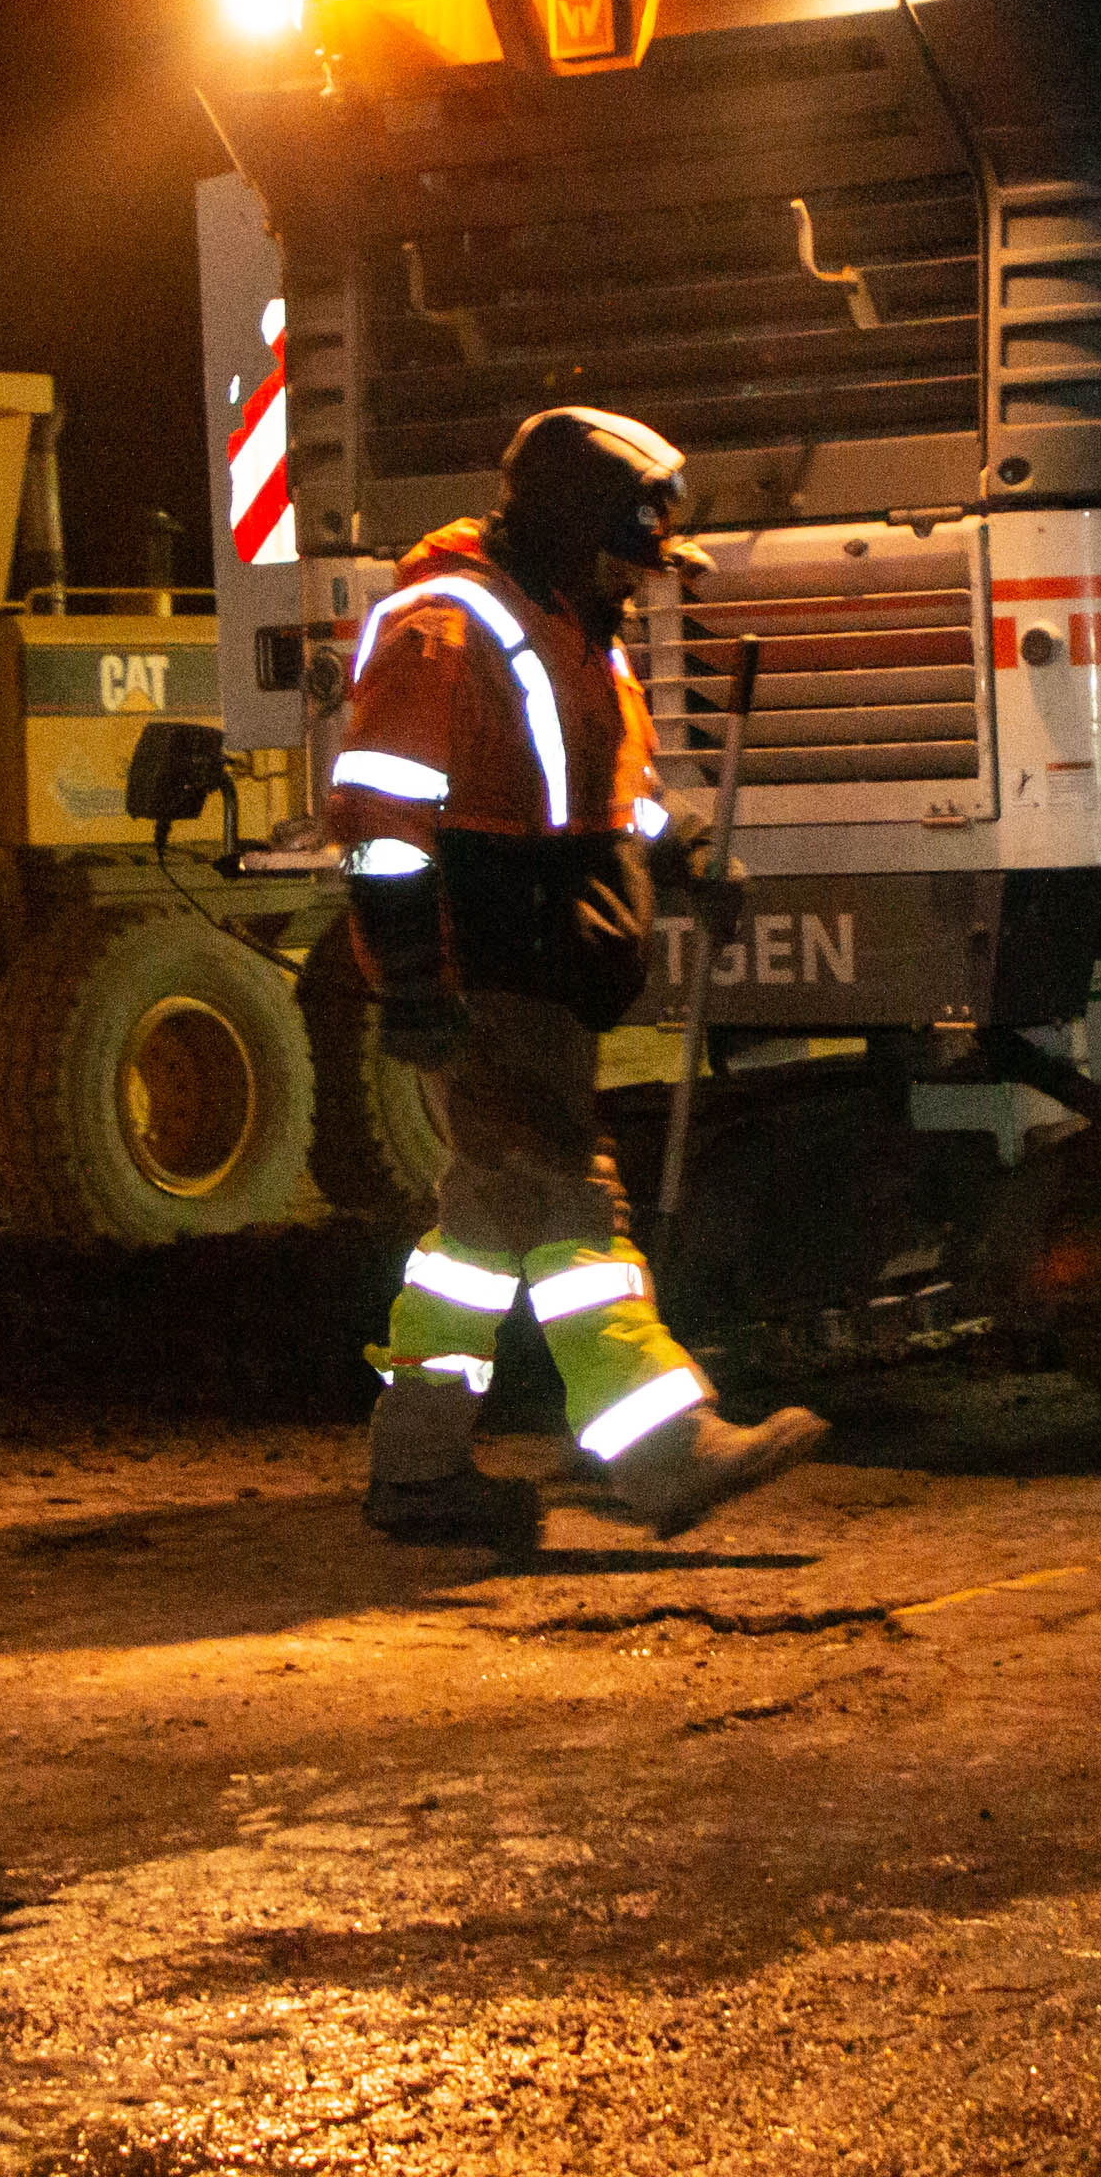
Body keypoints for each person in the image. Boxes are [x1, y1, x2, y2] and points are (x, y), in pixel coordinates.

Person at [322, 406, 827, 1548]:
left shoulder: (569, 623)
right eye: (626, 556)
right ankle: (664, 1451)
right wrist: (411, 982)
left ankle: (415, 1469)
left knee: (478, 1238)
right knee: (573, 1213)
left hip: (538, 972)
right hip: (485, 973)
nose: (641, 584)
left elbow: (596, 793)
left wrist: (676, 846)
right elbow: (380, 823)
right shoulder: (446, 629)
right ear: (565, 529)